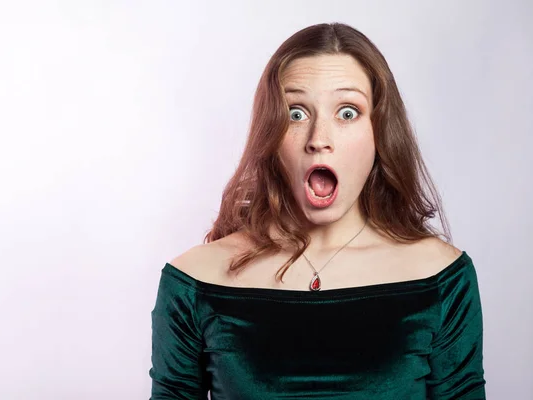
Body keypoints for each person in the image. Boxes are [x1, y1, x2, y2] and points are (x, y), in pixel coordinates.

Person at [149, 22, 485, 399]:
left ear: (380, 131)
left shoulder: (441, 277)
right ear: (269, 134)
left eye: (347, 113)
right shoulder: (193, 281)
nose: (319, 140)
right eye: (296, 114)